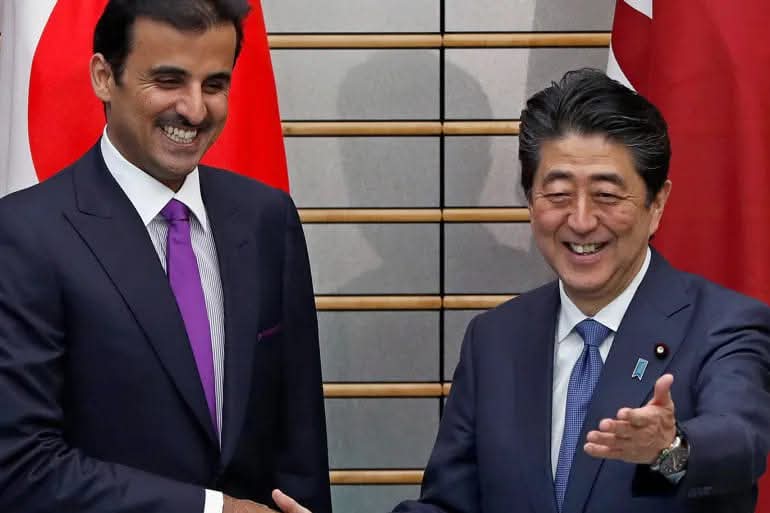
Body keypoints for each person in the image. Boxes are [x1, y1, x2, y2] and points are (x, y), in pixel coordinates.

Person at [387, 68, 770, 512]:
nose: (582, 220)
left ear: (657, 204)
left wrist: (669, 450)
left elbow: (741, 440)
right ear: (531, 202)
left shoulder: (723, 325)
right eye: (558, 194)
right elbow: (450, 504)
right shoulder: (494, 339)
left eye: (606, 195)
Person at [0, 2, 331, 513]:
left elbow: (299, 444)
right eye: (169, 80)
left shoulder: (267, 218)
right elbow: (20, 465)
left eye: (214, 85)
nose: (195, 110)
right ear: (104, 77)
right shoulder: (24, 234)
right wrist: (213, 510)